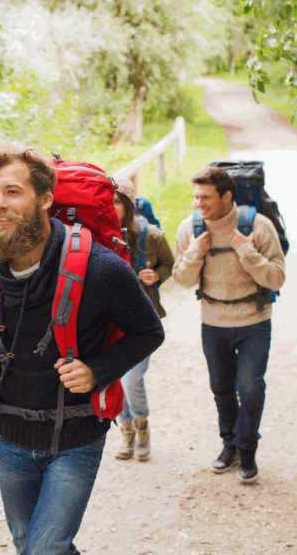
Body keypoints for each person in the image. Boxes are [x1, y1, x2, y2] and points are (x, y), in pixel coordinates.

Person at [0, 143, 165, 555]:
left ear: (46, 199)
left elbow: (148, 331)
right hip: (10, 434)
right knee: (28, 545)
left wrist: (98, 370)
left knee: (43, 549)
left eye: (12, 192)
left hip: (76, 435)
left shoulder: (101, 268)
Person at [172, 165, 285, 484]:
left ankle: (247, 453)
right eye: (196, 196)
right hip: (213, 321)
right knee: (221, 389)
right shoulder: (190, 229)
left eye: (206, 197)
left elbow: (277, 277)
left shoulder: (258, 227)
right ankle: (229, 446)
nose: (199, 204)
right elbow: (182, 280)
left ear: (226, 196)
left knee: (250, 389)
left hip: (254, 321)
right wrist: (195, 252)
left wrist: (246, 251)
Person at [111, 178, 174, 462]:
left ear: (127, 204)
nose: (111, 209)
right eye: (107, 203)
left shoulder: (153, 236)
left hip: (144, 320)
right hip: (111, 321)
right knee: (117, 377)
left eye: (116, 202)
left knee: (133, 378)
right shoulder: (102, 235)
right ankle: (127, 432)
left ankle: (142, 427)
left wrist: (157, 275)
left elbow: (169, 264)